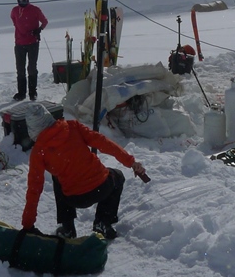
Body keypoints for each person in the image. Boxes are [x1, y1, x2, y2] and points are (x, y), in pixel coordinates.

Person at [20, 102, 147, 240]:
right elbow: (103, 142)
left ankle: (68, 228)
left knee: (58, 179)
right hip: (101, 188)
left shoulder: (39, 152)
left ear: (32, 128)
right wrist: (130, 162)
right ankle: (103, 222)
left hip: (74, 198)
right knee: (117, 176)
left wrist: (28, 224)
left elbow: (34, 188)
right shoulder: (73, 127)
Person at [10, 0, 48, 101]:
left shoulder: (35, 10)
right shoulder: (15, 10)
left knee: (32, 68)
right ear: (17, 0)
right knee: (20, 69)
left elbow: (45, 21)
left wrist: (39, 29)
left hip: (33, 43)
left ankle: (33, 92)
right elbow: (13, 20)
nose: (23, 1)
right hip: (19, 43)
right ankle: (21, 93)